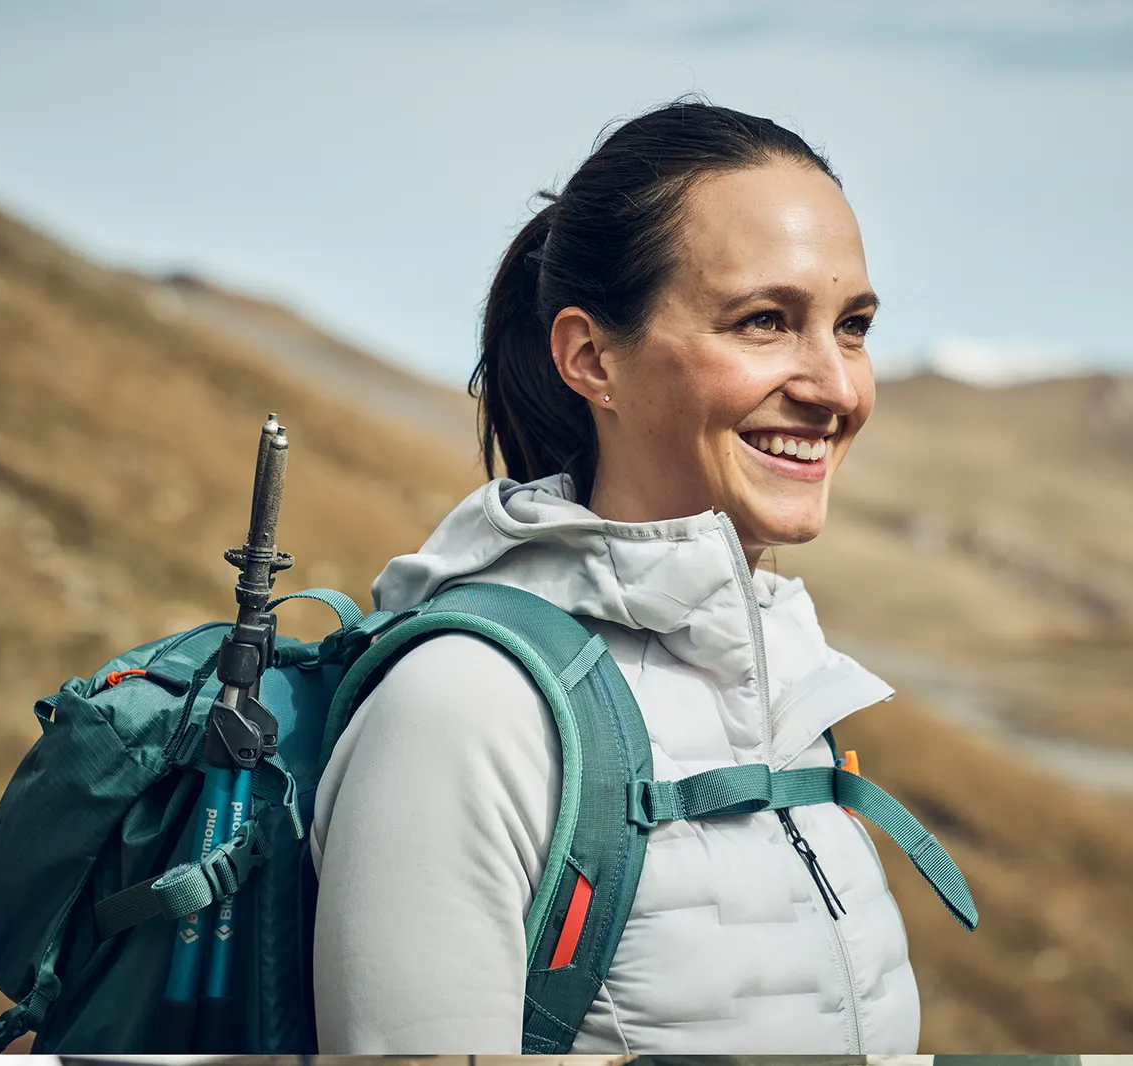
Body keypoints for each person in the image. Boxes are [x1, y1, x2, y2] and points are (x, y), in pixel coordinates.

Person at [309, 99, 916, 1053]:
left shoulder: (785, 691)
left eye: (853, 326)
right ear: (591, 358)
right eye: (765, 322)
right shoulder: (468, 710)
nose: (837, 388)